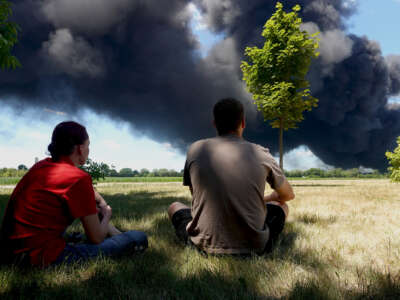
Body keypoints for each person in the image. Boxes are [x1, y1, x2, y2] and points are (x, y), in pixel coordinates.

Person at [0, 121, 147, 267]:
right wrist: (107, 213)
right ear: (80, 149)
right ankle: (121, 239)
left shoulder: (42, 166)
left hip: (8, 251)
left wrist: (100, 202)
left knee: (86, 226)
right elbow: (96, 238)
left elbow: (83, 190)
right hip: (37, 257)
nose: (89, 150)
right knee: (138, 237)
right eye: (88, 146)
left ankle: (114, 235)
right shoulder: (78, 178)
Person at [168, 98, 295, 255]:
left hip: (202, 246)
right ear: (242, 123)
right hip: (254, 248)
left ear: (215, 124)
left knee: (174, 206)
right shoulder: (261, 153)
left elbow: (196, 197)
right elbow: (288, 195)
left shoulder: (195, 150)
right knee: (281, 206)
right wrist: (269, 198)